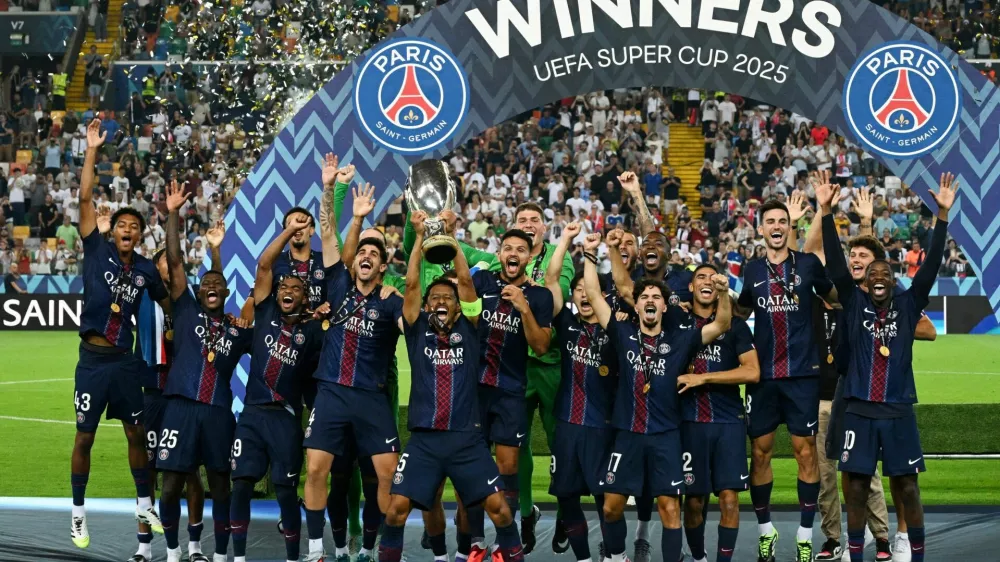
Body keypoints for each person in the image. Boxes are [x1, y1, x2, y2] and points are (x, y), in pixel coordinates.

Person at [817, 172, 956, 562]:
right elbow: (837, 263)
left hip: (897, 410)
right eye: (872, 275)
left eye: (885, 274)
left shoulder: (909, 305)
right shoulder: (853, 300)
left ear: (893, 282)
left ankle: (916, 554)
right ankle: (857, 553)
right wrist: (826, 211)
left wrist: (941, 217)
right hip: (859, 410)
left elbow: (928, 267)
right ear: (865, 283)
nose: (877, 277)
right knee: (856, 487)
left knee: (908, 487)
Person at [379, 210, 525, 562]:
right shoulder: (416, 330)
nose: (441, 302)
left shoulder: (471, 328)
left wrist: (450, 237)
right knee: (395, 509)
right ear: (426, 306)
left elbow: (465, 280)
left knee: (501, 510)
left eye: (448, 298)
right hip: (425, 440)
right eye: (435, 299)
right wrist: (416, 239)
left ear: (460, 307)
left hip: (466, 439)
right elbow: (412, 285)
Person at [580, 231, 732, 562]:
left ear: (665, 304)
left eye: (655, 296)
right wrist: (592, 253)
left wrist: (723, 293)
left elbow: (721, 323)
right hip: (627, 434)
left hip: (666, 436)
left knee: (669, 509)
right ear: (636, 304)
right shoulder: (622, 332)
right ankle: (618, 557)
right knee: (610, 506)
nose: (649, 299)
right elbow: (592, 292)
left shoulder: (682, 338)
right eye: (644, 296)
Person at [70, 119, 166, 550]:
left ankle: (145, 503)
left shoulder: (146, 270)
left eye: (135, 228)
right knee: (85, 436)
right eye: (122, 225)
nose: (127, 230)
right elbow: (86, 196)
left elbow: (171, 296)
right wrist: (92, 150)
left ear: (141, 235)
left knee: (135, 434)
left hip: (125, 362)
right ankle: (77, 514)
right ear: (113, 229)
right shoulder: (96, 248)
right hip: (92, 360)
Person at [303, 180, 404, 562]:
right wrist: (347, 208)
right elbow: (327, 230)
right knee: (316, 469)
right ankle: (316, 550)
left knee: (387, 476)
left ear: (381, 266)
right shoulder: (338, 284)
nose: (366, 256)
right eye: (361, 251)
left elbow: (410, 325)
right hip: (331, 391)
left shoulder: (390, 301)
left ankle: (373, 547)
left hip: (371, 396)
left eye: (373, 254)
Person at [157, 180, 253, 562]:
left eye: (218, 284)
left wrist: (217, 255)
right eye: (206, 284)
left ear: (226, 293)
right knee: (170, 487)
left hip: (217, 411)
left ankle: (215, 553)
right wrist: (174, 212)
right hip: (179, 406)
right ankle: (174, 550)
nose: (211, 286)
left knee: (220, 487)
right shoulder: (184, 311)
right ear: (197, 293)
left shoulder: (236, 329)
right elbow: (176, 261)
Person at [737, 198, 835, 562]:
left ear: (788, 227)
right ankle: (766, 532)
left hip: (801, 377)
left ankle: (805, 536)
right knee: (759, 453)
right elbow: (742, 310)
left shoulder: (808, 265)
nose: (776, 227)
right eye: (770, 222)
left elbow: (834, 296)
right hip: (763, 378)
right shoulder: (751, 270)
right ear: (760, 229)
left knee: (804, 452)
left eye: (782, 221)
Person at [229, 214, 325, 562]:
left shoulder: (313, 332)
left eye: (295, 289)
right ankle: (238, 557)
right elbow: (264, 264)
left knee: (286, 491)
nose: (287, 291)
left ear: (305, 298)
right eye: (284, 287)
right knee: (240, 483)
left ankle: (291, 557)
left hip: (286, 417)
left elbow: (318, 373)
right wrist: (289, 231)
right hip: (252, 415)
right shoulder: (265, 307)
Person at [132, 219, 224, 562]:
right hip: (152, 392)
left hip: (184, 397)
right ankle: (144, 547)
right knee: (148, 473)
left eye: (171, 265)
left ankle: (195, 546)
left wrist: (215, 250)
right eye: (163, 265)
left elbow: (215, 288)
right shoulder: (144, 298)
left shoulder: (190, 304)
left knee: (189, 474)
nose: (168, 269)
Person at [462, 227, 554, 561]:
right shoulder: (483, 282)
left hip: (511, 391)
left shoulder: (541, 297)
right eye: (506, 248)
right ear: (500, 254)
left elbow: (541, 346)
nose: (513, 253)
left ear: (529, 257)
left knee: (508, 465)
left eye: (520, 249)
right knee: (471, 465)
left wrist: (524, 308)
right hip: (474, 390)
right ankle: (474, 542)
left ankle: (505, 541)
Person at [539, 222, 616, 562]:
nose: (584, 295)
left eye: (591, 290)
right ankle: (584, 558)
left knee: (606, 500)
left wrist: (596, 255)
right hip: (567, 426)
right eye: (579, 291)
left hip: (603, 427)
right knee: (567, 497)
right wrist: (567, 239)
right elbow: (551, 279)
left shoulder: (618, 330)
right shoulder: (567, 324)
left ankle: (612, 555)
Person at [498, 203, 573, 555]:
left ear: (544, 229)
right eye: (521, 221)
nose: (528, 225)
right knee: (516, 445)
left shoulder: (563, 259)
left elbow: (556, 302)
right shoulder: (509, 257)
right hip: (515, 366)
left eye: (534, 221)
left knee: (562, 443)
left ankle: (566, 511)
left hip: (553, 361)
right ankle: (526, 515)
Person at [676, 264, 760, 562]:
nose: (707, 281)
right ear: (690, 287)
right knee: (694, 501)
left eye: (713, 277)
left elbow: (752, 371)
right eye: (700, 277)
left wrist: (704, 378)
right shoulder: (677, 321)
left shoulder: (735, 326)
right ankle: (698, 558)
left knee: (729, 499)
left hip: (727, 422)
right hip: (688, 423)